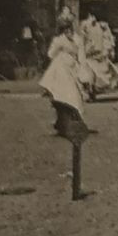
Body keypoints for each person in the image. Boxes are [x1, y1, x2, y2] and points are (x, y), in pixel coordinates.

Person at [40, 10, 94, 139]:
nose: (67, 31)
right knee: (61, 95)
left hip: (72, 69)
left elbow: (81, 57)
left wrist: (83, 72)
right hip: (60, 70)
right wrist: (59, 51)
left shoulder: (77, 40)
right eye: (65, 28)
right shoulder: (59, 40)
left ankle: (67, 122)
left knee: (73, 95)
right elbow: (51, 54)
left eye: (69, 27)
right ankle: (62, 122)